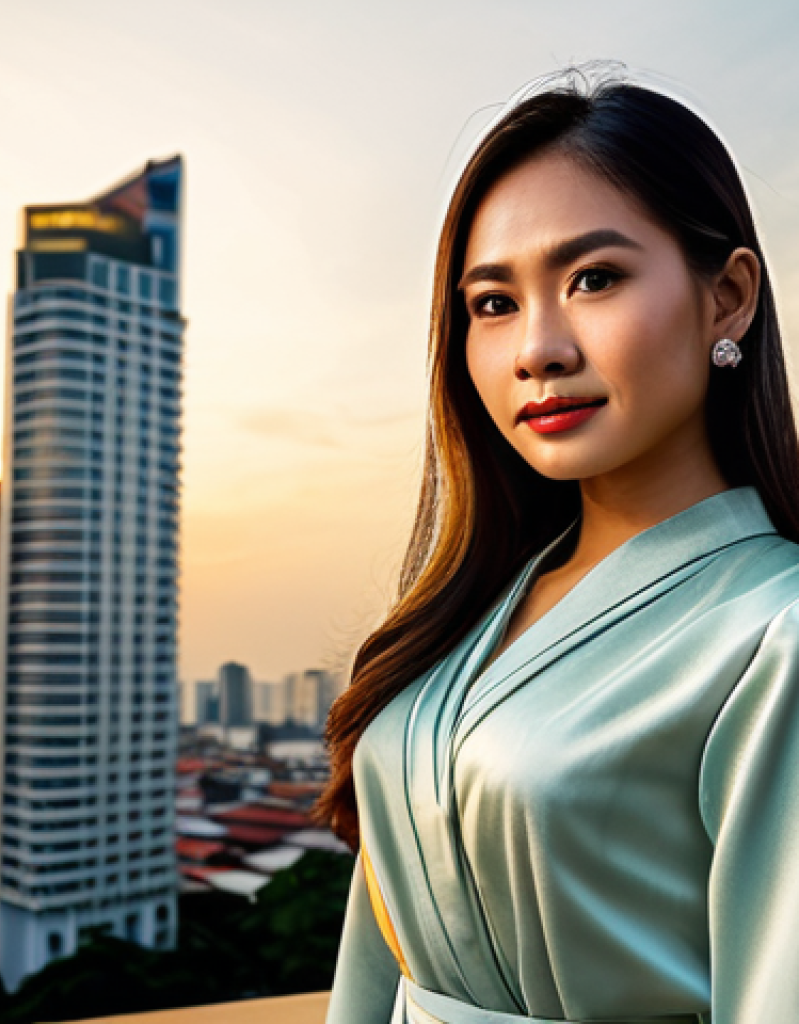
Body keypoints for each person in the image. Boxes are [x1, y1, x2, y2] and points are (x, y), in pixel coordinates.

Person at [320, 71, 799, 1024]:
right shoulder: (474, 608)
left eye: (594, 279)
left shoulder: (775, 634)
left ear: (728, 298)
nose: (537, 349)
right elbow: (374, 973)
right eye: (493, 303)